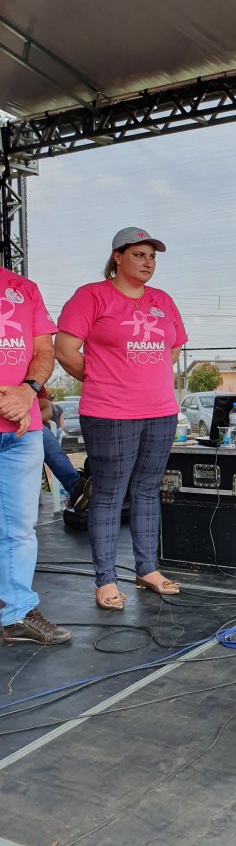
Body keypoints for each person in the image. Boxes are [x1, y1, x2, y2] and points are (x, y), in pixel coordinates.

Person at [55, 227, 187, 611]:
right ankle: (106, 580)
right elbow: (65, 349)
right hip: (109, 413)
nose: (148, 263)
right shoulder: (92, 296)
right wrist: (102, 376)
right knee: (110, 494)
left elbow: (174, 348)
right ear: (118, 257)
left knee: (147, 490)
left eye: (152, 256)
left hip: (160, 411)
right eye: (139, 255)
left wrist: (145, 375)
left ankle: (147, 569)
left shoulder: (162, 300)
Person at [0, 266, 72, 645]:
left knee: (19, 529)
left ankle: (16, 614)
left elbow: (44, 351)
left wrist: (27, 391)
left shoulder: (24, 289)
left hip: (21, 432)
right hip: (14, 416)